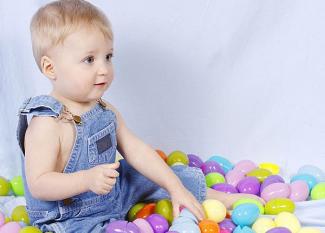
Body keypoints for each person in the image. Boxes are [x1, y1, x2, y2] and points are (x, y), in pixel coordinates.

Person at [16, 1, 264, 232]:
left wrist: (174, 188)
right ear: (50, 68)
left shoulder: (104, 109)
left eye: (108, 57)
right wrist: (86, 179)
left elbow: (136, 151)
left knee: (148, 173)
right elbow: (39, 184)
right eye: (89, 59)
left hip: (113, 192)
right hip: (70, 216)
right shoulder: (46, 124)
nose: (104, 69)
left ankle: (216, 198)